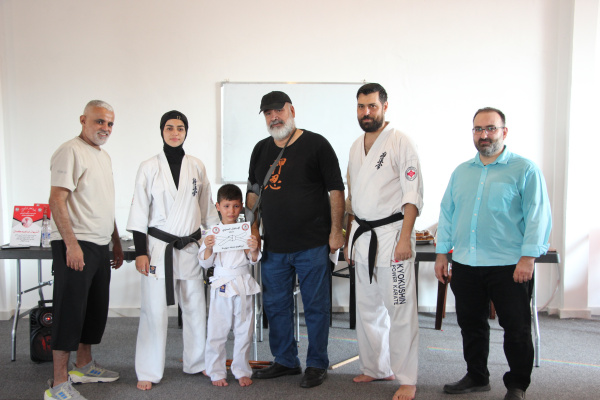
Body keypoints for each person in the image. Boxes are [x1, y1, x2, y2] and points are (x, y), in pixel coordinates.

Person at [434, 107, 552, 400]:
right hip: (466, 263)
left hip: (509, 265)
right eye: (478, 129)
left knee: (516, 328)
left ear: (504, 132)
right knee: (471, 324)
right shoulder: (461, 172)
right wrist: (442, 253)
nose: (483, 135)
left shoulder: (525, 170)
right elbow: (447, 214)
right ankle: (477, 376)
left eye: (490, 128)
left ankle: (517, 385)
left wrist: (528, 258)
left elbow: (537, 215)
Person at [247, 91, 345, 388]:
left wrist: (336, 231)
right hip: (274, 246)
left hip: (312, 244)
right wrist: (253, 229)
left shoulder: (317, 144)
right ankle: (286, 361)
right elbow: (253, 193)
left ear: (291, 110)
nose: (274, 117)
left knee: (315, 307)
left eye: (279, 110)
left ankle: (317, 363)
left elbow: (336, 190)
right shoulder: (260, 149)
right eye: (268, 113)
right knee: (276, 306)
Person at [126, 110, 219, 391]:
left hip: (190, 247)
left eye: (180, 128)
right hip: (159, 248)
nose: (175, 133)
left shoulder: (197, 166)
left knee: (195, 307)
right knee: (154, 311)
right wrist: (140, 252)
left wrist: (217, 242)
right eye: (169, 127)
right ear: (162, 131)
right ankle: (148, 370)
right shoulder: (149, 167)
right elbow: (139, 213)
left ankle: (197, 362)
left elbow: (208, 212)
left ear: (186, 132)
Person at [344, 83, 422, 400]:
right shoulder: (355, 147)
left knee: (399, 308)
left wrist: (405, 239)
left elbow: (412, 195)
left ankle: (407, 377)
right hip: (362, 237)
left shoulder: (400, 141)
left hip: (392, 237)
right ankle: (377, 367)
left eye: (372, 106)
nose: (366, 112)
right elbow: (353, 199)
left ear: (385, 107)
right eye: (361, 107)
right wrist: (349, 240)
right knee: (367, 308)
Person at [45, 100, 124, 400]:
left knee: (93, 309)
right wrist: (71, 244)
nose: (105, 128)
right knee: (69, 311)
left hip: (99, 244)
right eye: (99, 121)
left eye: (110, 123)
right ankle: (58, 384)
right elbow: (56, 199)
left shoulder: (103, 156)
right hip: (76, 242)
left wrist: (115, 240)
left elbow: (104, 203)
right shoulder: (70, 151)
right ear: (83, 120)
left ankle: (84, 365)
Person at [198, 184, 261, 387]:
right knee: (217, 331)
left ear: (241, 206)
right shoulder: (212, 233)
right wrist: (209, 248)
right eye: (226, 206)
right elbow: (205, 263)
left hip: (243, 284)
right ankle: (216, 371)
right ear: (218, 206)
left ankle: (241, 370)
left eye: (235, 206)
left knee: (244, 331)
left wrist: (253, 249)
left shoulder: (245, 231)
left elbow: (253, 259)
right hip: (222, 285)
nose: (231, 211)